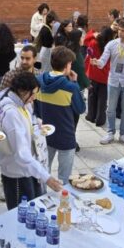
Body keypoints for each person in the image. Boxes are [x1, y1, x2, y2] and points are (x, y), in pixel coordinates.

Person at [0, 72, 64, 208]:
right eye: (33, 94)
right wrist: (47, 178)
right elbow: (22, 155)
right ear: (22, 91)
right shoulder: (11, 113)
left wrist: (36, 125)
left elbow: (28, 122)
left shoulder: (22, 104)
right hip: (17, 174)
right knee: (21, 214)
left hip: (28, 170)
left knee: (33, 207)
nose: (34, 98)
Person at [91, 19, 124, 148]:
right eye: (119, 30)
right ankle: (110, 132)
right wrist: (97, 62)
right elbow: (103, 61)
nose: (120, 33)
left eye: (123, 30)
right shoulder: (111, 44)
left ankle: (123, 134)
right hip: (113, 80)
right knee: (110, 109)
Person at [36, 47, 85, 184]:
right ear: (67, 65)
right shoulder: (71, 87)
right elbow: (81, 108)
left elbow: (35, 108)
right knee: (64, 177)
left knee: (43, 172)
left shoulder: (39, 80)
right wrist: (75, 82)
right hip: (65, 135)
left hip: (45, 133)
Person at [84, 27, 113, 126]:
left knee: (92, 96)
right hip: (104, 75)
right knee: (102, 99)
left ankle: (91, 116)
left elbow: (85, 40)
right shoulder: (110, 46)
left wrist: (93, 34)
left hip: (93, 73)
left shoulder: (93, 43)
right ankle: (100, 119)